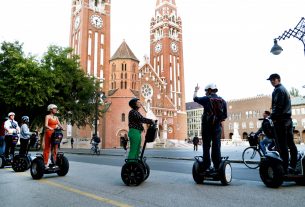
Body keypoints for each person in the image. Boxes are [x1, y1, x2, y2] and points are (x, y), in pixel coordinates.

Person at [267, 73, 298, 174]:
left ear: (278, 79)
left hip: (281, 121)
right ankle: (293, 165)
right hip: (288, 120)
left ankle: (284, 167)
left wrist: (271, 116)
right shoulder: (284, 89)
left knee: (282, 145)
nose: (271, 82)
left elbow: (278, 106)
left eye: (273, 79)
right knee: (291, 143)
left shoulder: (278, 90)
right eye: (270, 80)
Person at [193, 83, 227, 171]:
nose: (205, 93)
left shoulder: (207, 99)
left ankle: (206, 166)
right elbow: (225, 116)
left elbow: (195, 98)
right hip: (217, 127)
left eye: (206, 91)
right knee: (216, 146)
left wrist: (196, 90)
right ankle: (217, 165)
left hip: (207, 127)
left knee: (206, 146)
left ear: (209, 90)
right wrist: (217, 120)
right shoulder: (223, 101)